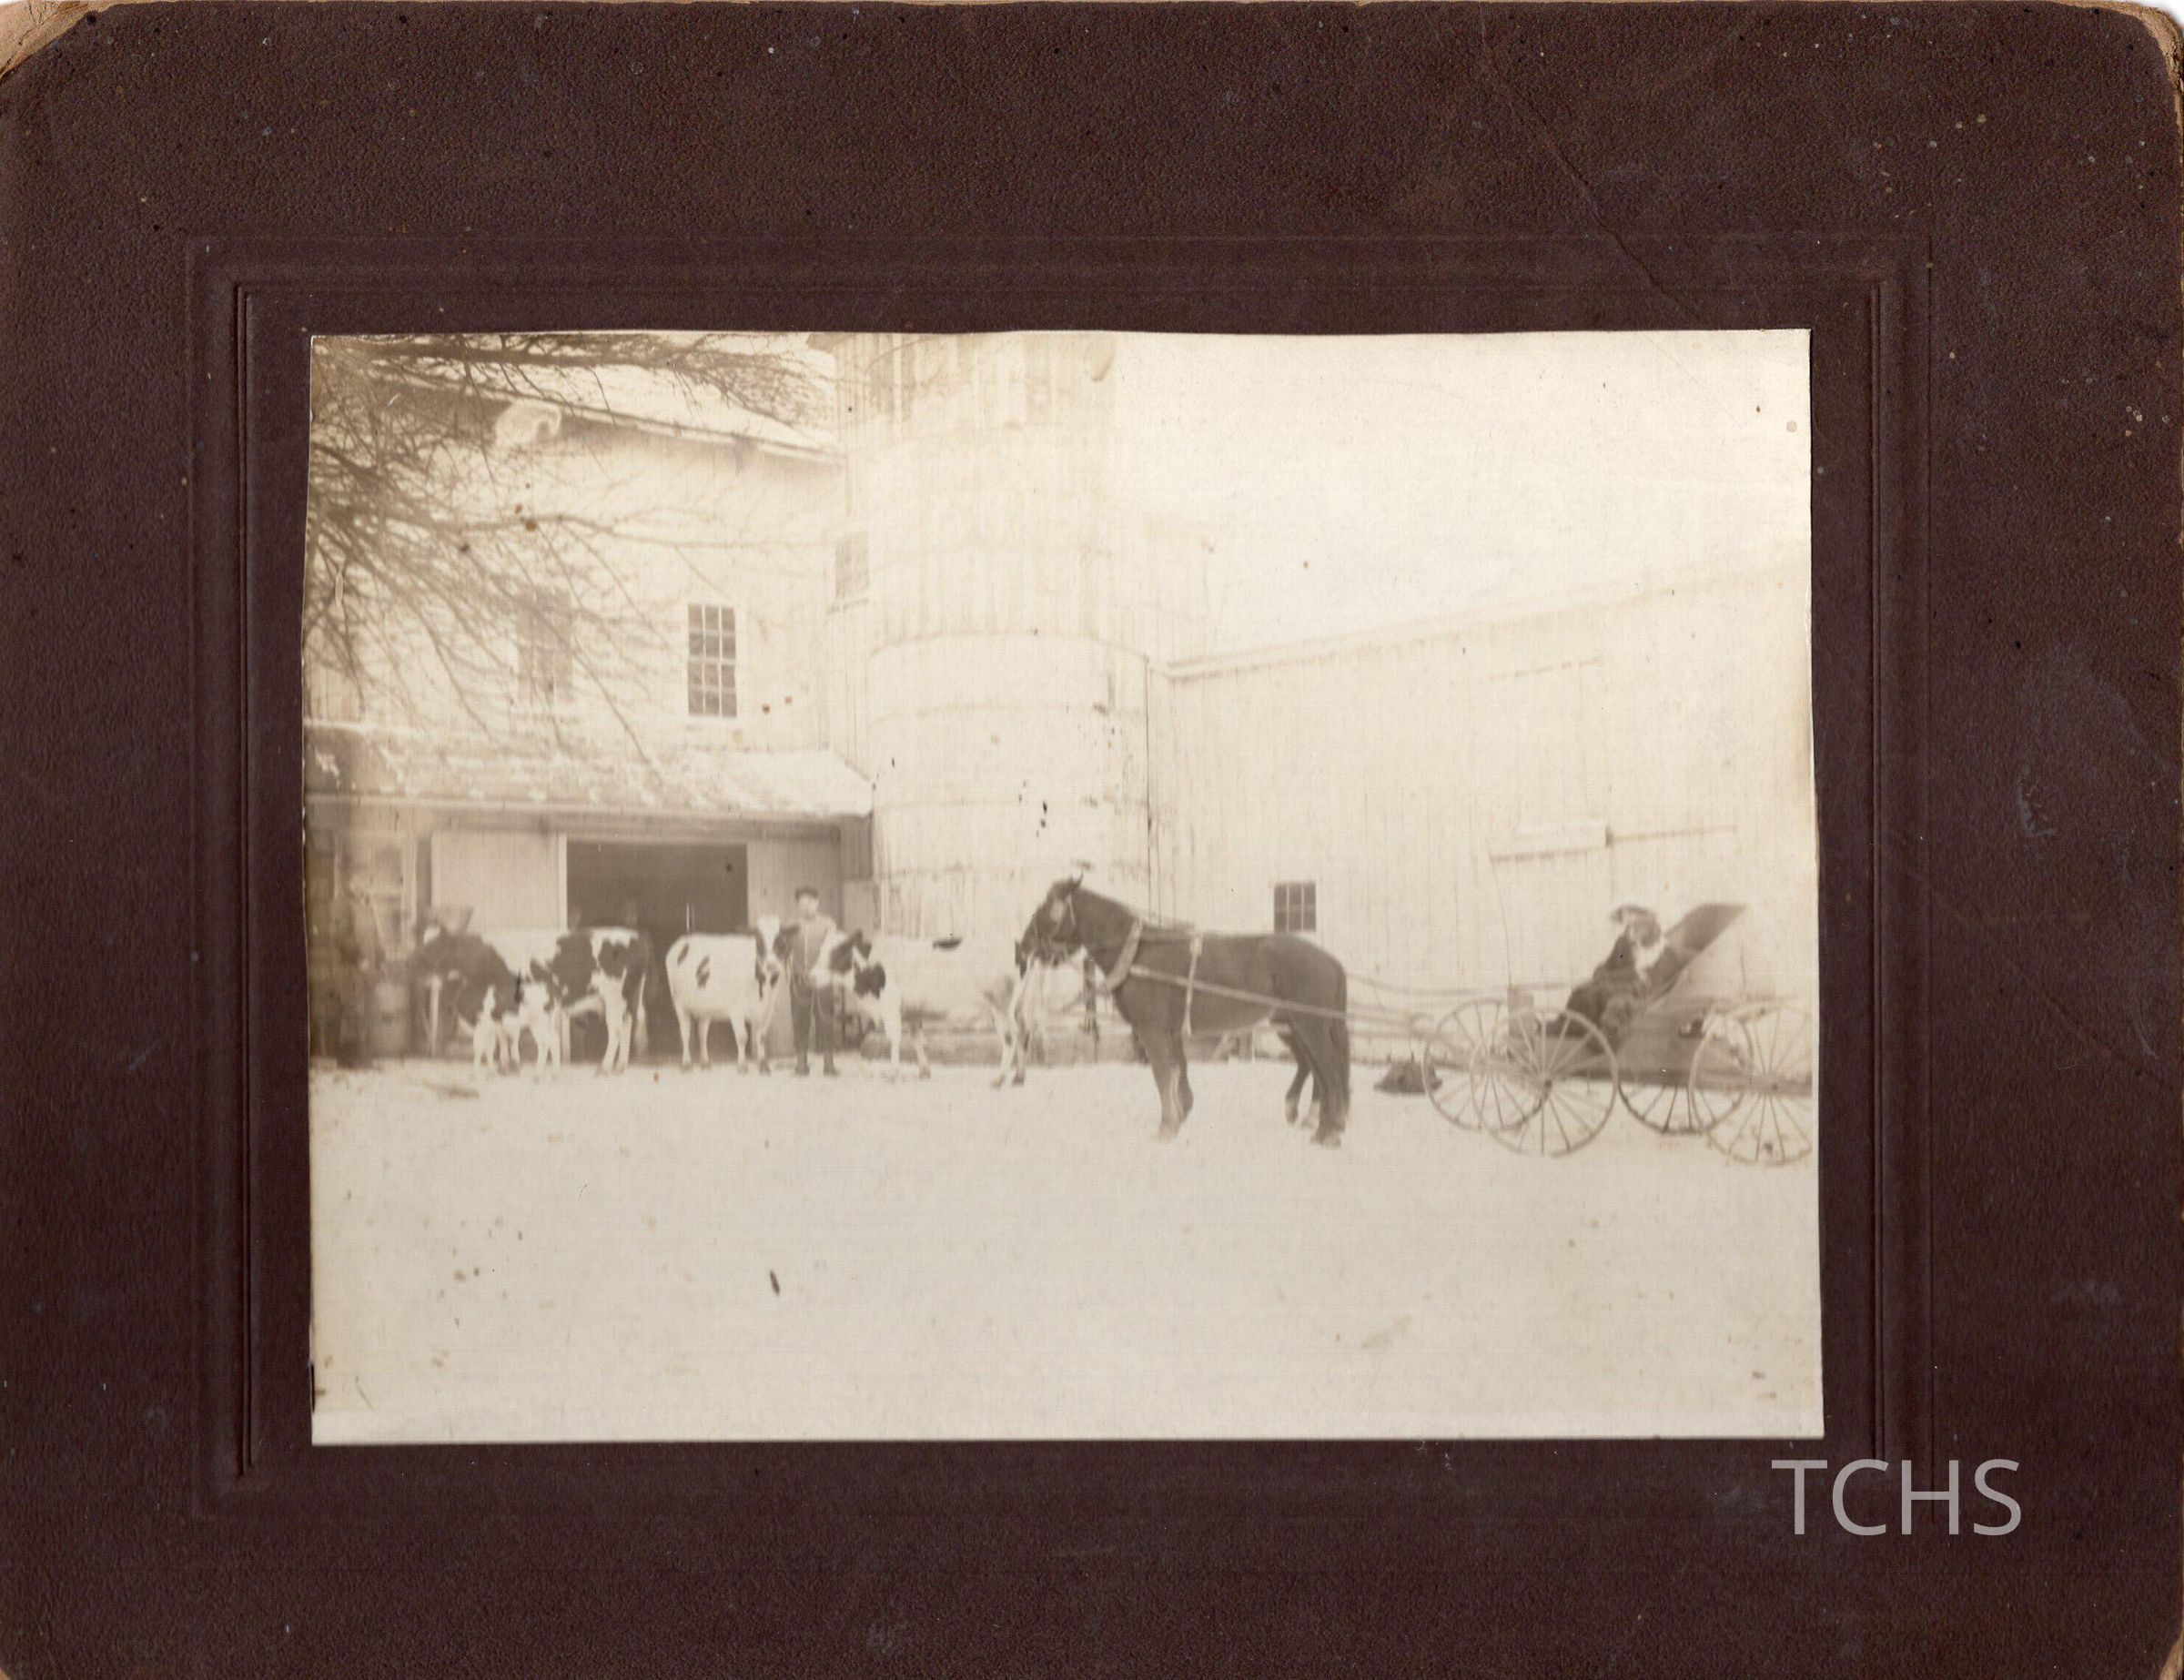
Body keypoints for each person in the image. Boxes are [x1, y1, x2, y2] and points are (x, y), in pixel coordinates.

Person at [330, 862, 385, 1069]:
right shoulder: (342, 904)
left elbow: (376, 936)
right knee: (352, 1012)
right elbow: (340, 936)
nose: (367, 884)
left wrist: (380, 961)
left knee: (367, 1011)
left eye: (369, 880)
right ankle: (348, 1059)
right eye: (363, 880)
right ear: (351, 882)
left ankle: (363, 1058)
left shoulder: (367, 905)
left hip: (367, 968)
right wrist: (359, 959)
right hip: (349, 968)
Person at [784, 886, 838, 1077]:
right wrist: (791, 969)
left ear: (817, 902)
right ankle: (801, 1063)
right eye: (802, 903)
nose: (806, 906)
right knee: (799, 1019)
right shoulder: (791, 925)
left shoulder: (828, 924)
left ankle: (829, 1064)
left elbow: (833, 951)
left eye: (810, 902)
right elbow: (784, 950)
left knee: (826, 1019)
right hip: (799, 979)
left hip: (822, 979)